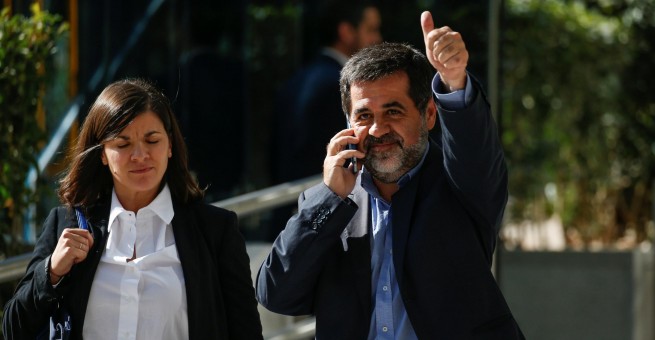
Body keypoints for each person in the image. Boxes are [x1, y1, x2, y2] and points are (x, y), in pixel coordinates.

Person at [256, 11, 525, 339]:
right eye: (364, 115)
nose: (378, 129)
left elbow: (475, 152)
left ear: (427, 115)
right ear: (348, 125)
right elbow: (277, 294)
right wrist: (329, 198)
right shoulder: (331, 203)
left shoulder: (460, 186)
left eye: (393, 112)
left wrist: (455, 81)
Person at [3, 79, 263, 339]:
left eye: (152, 140)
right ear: (102, 153)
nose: (140, 155)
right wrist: (52, 272)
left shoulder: (215, 231)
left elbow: (246, 332)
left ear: (170, 145)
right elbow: (12, 328)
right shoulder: (66, 223)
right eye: (123, 144)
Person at [268, 0, 382, 241]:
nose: (378, 39)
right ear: (346, 32)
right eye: (371, 29)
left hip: (289, 218)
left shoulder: (297, 79)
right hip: (323, 223)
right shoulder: (342, 87)